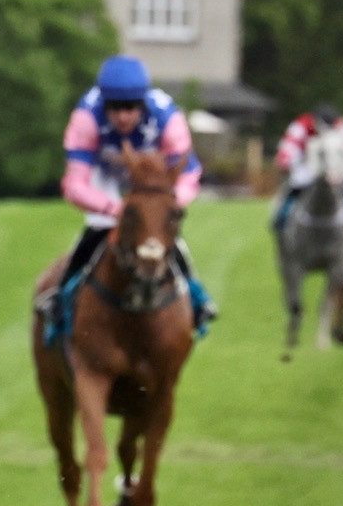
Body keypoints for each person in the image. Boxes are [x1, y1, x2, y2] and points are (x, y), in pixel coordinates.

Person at [39, 55, 215, 333]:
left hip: (153, 185)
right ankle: (60, 297)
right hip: (105, 177)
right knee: (98, 228)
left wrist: (165, 206)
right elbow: (74, 184)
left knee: (163, 234)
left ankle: (197, 297)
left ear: (143, 103)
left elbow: (189, 174)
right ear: (103, 103)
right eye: (115, 108)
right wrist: (114, 209)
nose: (123, 116)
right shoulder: (86, 117)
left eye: (131, 107)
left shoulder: (167, 117)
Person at [273, 104, 343, 231]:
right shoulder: (301, 126)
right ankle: (283, 231)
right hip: (306, 175)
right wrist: (287, 163)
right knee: (283, 213)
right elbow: (287, 150)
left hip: (339, 176)